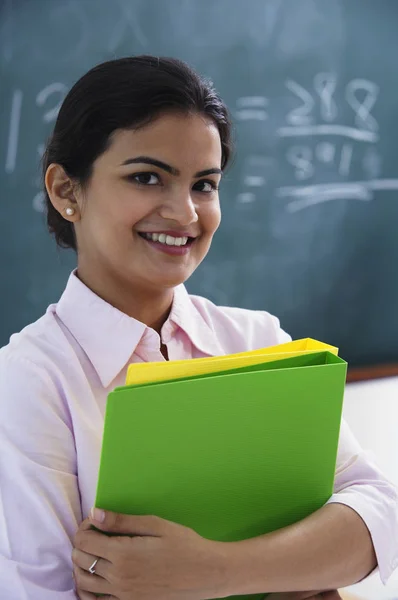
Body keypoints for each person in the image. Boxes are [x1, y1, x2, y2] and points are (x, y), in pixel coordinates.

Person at [0, 56, 397, 600]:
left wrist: (213, 570)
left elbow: (378, 516)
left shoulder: (258, 340)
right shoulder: (29, 380)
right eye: (147, 177)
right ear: (68, 191)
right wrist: (298, 569)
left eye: (204, 185)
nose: (186, 214)